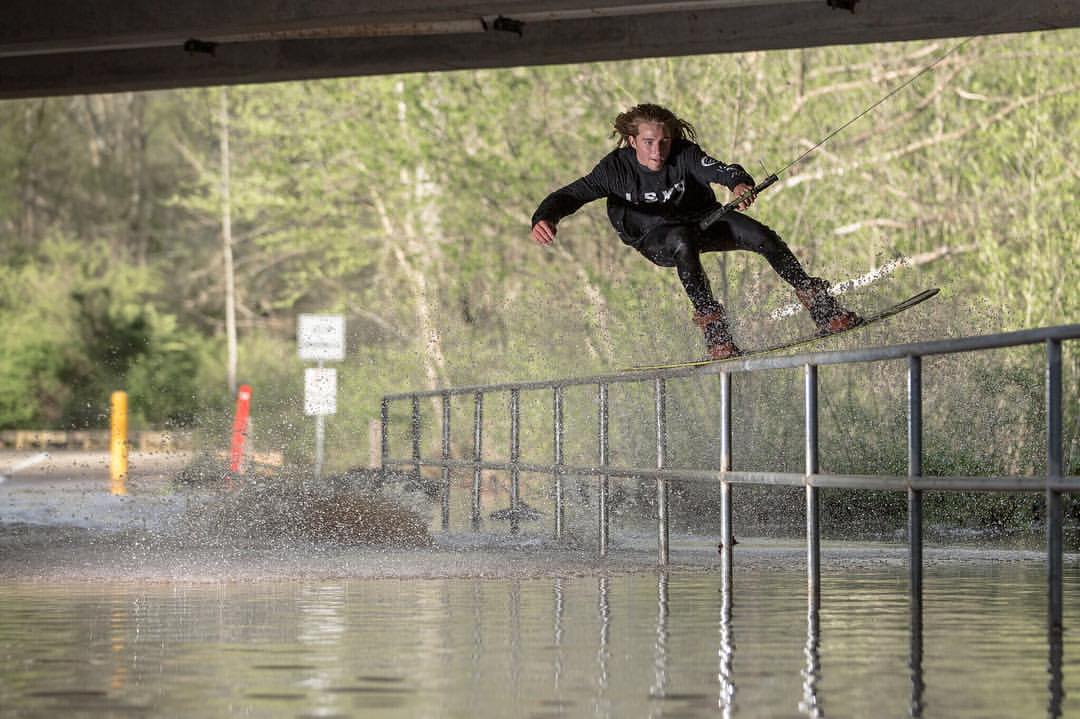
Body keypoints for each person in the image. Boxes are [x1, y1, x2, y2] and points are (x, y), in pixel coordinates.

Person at [530, 103, 860, 359]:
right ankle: (715, 332)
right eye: (648, 143)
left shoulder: (684, 154)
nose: (657, 152)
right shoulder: (614, 169)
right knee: (681, 241)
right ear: (632, 142)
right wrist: (546, 217)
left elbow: (720, 169)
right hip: (654, 237)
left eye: (663, 142)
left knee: (763, 236)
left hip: (703, 220)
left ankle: (822, 309)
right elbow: (569, 195)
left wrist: (738, 182)